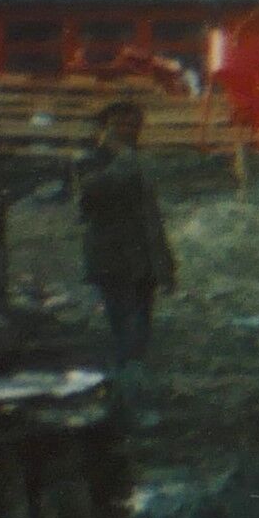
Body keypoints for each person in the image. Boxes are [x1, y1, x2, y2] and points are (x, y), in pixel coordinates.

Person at [77, 98, 174, 388]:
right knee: (123, 329)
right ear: (105, 127)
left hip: (142, 258)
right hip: (111, 258)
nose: (128, 130)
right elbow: (90, 196)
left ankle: (132, 385)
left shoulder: (138, 160)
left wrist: (165, 264)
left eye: (133, 124)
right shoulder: (88, 160)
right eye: (120, 123)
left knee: (141, 329)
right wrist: (123, 161)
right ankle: (124, 389)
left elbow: (152, 218)